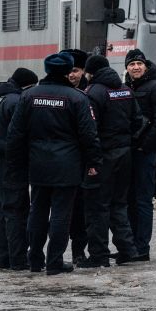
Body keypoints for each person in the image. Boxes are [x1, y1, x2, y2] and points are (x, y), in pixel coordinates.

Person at [6, 53, 101, 275]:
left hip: (37, 164)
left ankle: (35, 259)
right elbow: (89, 135)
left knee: (37, 211)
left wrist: (14, 164)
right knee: (61, 214)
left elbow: (15, 133)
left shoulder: (29, 96)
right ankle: (54, 262)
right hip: (67, 166)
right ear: (68, 72)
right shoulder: (77, 98)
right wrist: (94, 161)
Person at [78, 55, 143, 268]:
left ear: (91, 72)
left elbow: (90, 130)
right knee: (119, 203)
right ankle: (128, 249)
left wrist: (92, 160)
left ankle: (99, 255)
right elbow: (137, 121)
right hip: (125, 154)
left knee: (98, 207)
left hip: (103, 156)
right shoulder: (126, 90)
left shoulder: (94, 93)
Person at [124, 49, 156, 262]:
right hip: (128, 153)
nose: (136, 67)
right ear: (126, 68)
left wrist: (145, 146)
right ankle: (130, 245)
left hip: (144, 153)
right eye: (132, 64)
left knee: (143, 200)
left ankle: (142, 247)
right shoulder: (126, 88)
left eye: (139, 64)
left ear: (145, 66)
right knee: (128, 200)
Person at [0, 67, 38, 271]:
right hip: (12, 162)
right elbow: (19, 134)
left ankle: (4, 259)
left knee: (3, 210)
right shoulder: (16, 102)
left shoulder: (2, 99)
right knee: (17, 210)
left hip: (1, 160)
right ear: (27, 85)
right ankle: (18, 260)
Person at [61, 48, 90, 264]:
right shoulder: (56, 92)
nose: (72, 75)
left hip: (80, 161)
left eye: (76, 70)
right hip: (61, 162)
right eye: (68, 71)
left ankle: (78, 252)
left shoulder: (88, 93)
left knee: (80, 210)